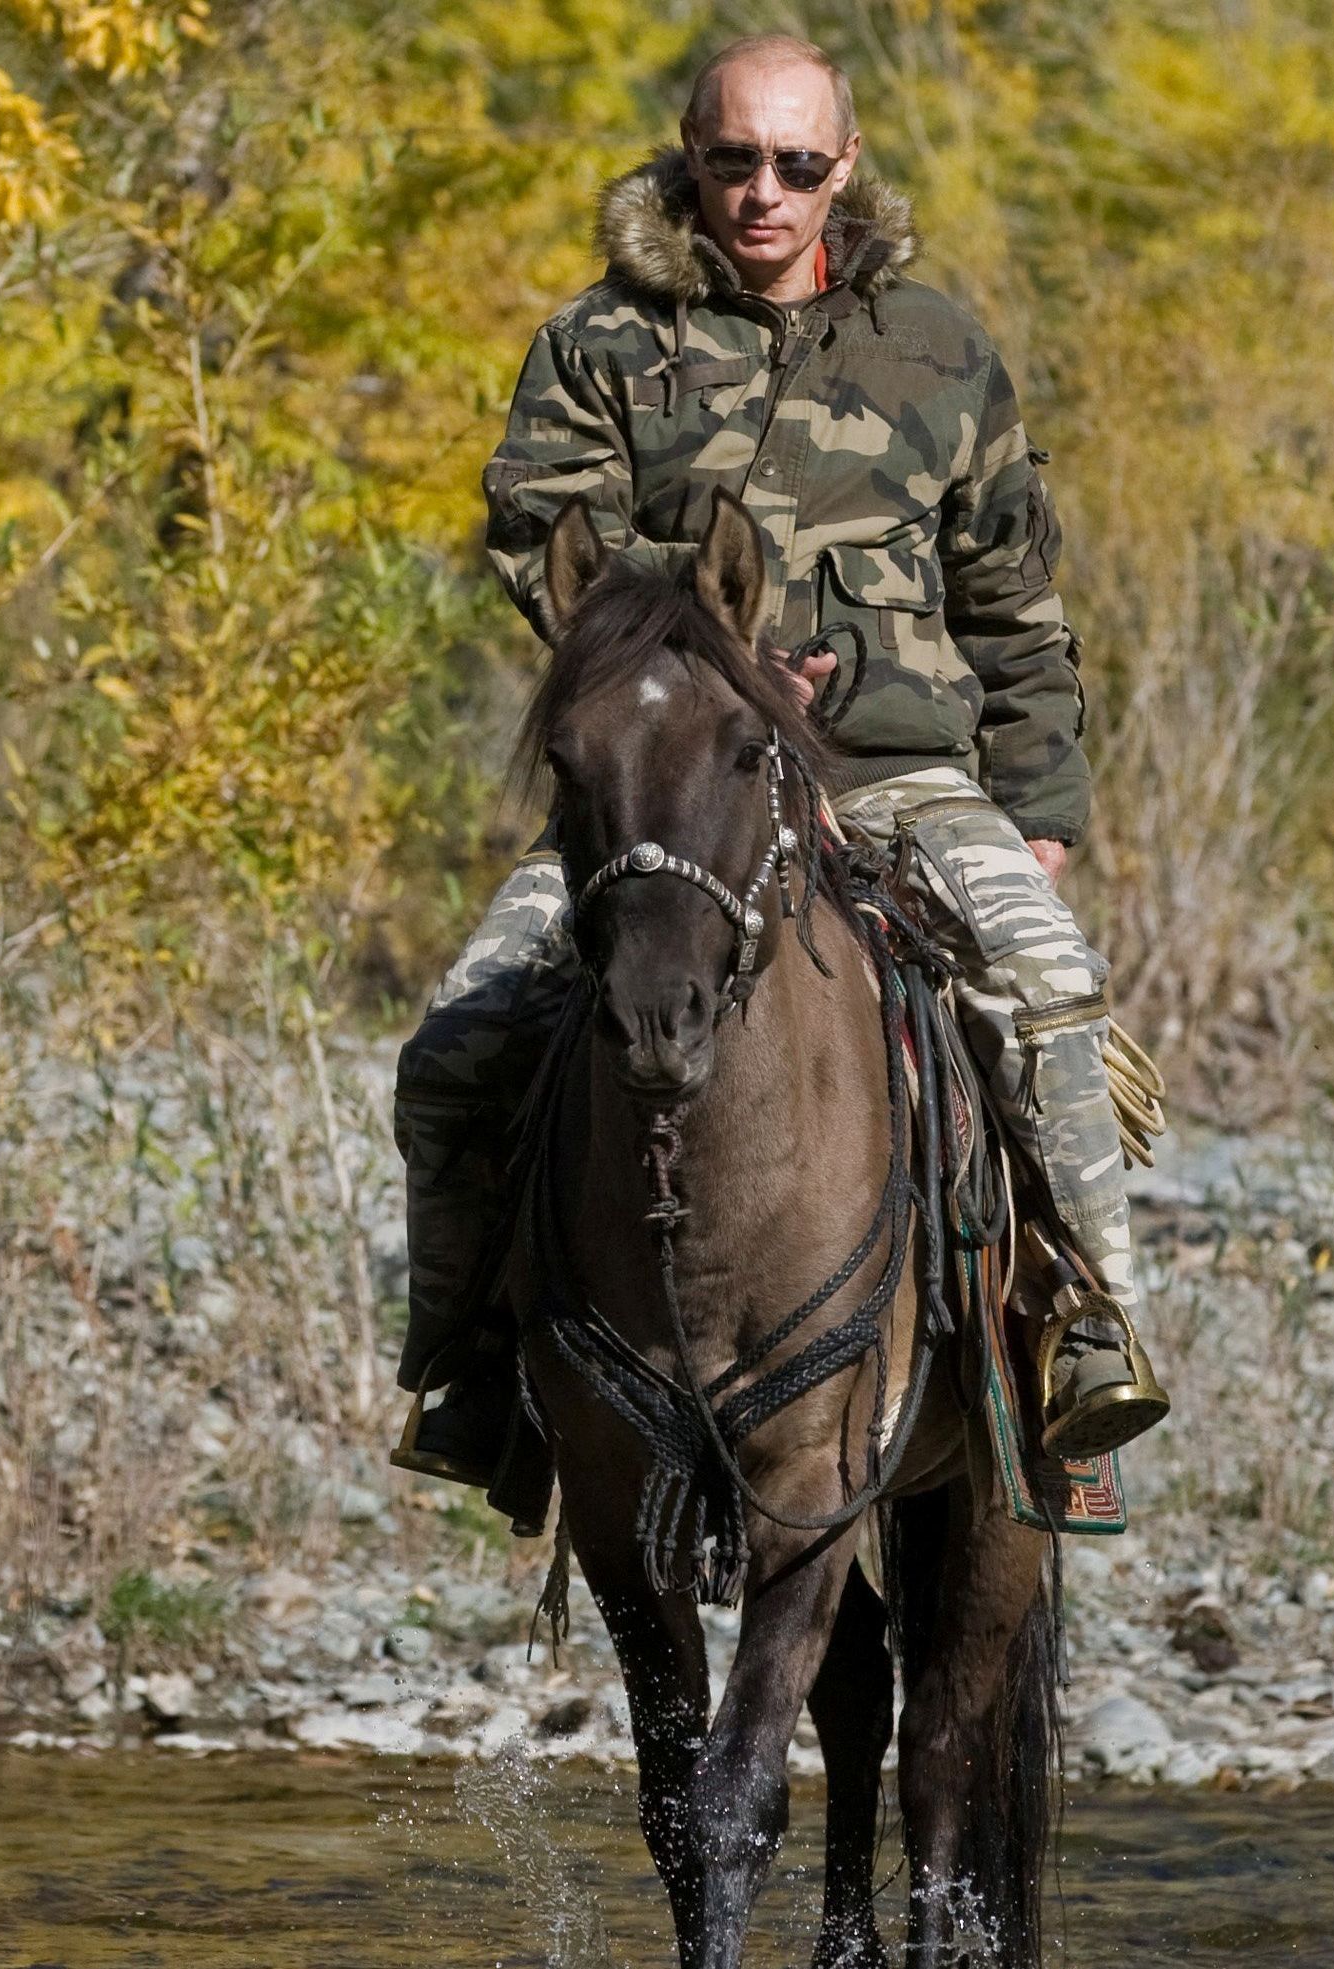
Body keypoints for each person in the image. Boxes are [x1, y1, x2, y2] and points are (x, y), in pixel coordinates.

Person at [391, 34, 1164, 1515]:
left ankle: (1082, 1333)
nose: (764, 191)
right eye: (735, 158)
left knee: (1051, 997)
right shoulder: (595, 349)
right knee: (453, 1053)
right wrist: (709, 683)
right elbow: (547, 554)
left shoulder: (940, 350)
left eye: (799, 164)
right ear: (690, 153)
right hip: (665, 792)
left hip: (898, 778)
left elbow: (1013, 600)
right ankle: (472, 1365)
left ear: (846, 167)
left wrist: (1043, 810)